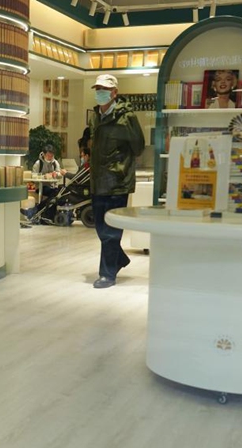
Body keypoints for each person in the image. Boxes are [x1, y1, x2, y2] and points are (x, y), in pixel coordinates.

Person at [88, 74, 145, 288]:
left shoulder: (127, 117)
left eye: (104, 89)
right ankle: (119, 259)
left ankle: (107, 274)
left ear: (114, 93)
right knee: (101, 229)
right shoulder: (96, 116)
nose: (100, 92)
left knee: (111, 232)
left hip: (117, 182)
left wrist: (120, 166)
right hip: (98, 181)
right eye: (97, 88)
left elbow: (138, 147)